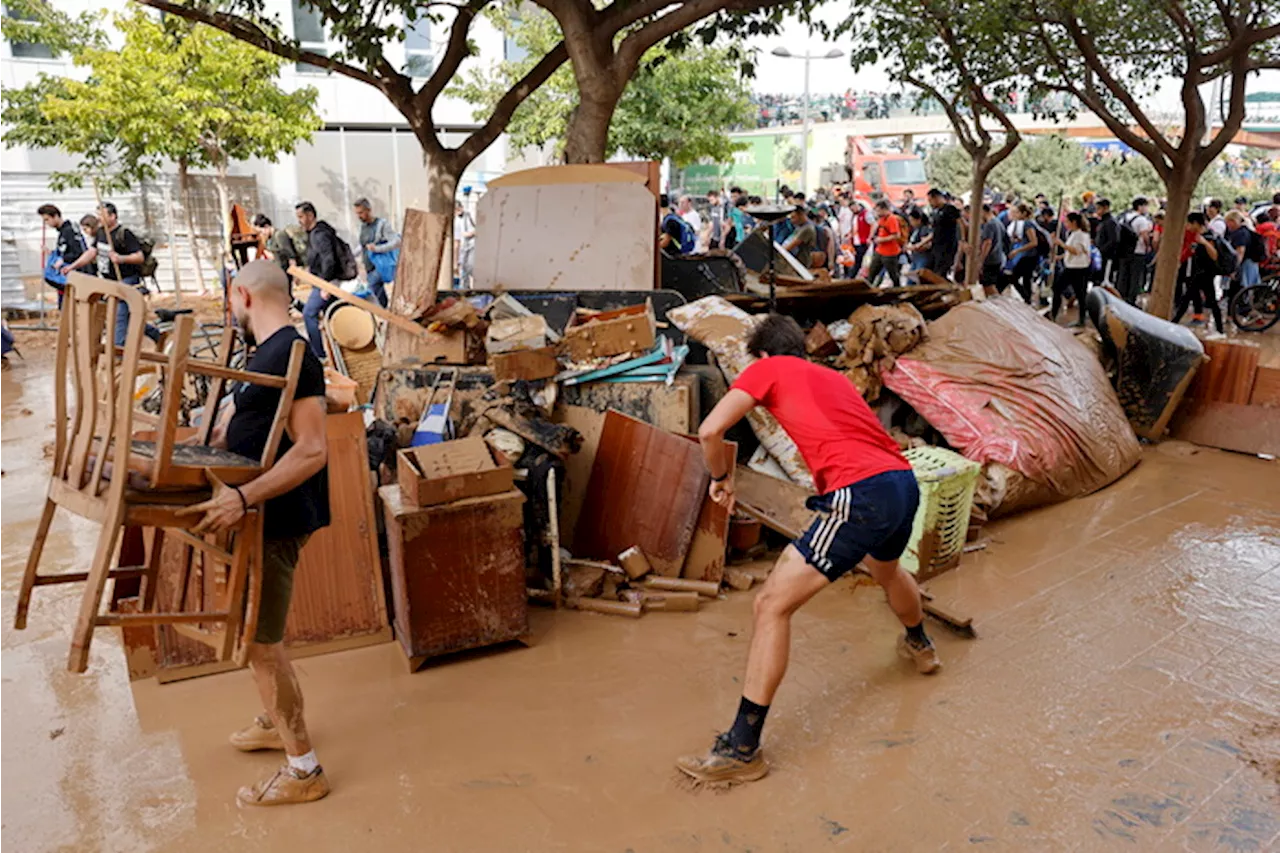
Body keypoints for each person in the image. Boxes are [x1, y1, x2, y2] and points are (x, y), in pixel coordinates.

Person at [675, 313, 940, 786]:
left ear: (761, 354)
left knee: (771, 605)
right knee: (887, 571)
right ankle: (921, 645)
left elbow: (710, 431)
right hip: (901, 484)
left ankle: (742, 748)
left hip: (857, 493)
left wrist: (720, 479)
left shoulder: (766, 367)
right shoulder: (832, 377)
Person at [178, 260, 331, 806]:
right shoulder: (266, 355)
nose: (229, 309)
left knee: (262, 645)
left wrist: (243, 497)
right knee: (260, 634)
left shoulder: (294, 354)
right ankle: (274, 721)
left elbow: (313, 449)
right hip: (259, 515)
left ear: (241, 294)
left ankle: (305, 771)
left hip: (274, 519)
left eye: (228, 299)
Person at [79, 202, 161, 346]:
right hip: (109, 281)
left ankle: (118, 349)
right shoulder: (100, 233)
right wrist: (73, 266)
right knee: (126, 320)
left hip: (126, 281)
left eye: (102, 215)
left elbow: (139, 256)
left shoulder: (124, 233)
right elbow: (92, 252)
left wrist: (121, 258)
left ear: (113, 216)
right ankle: (154, 334)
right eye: (98, 215)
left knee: (120, 316)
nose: (99, 219)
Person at [296, 201, 345, 360]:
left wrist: (326, 285)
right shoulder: (314, 234)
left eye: (301, 216)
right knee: (334, 316)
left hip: (325, 283)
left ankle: (319, 355)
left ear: (310, 215)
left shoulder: (320, 235)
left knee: (309, 314)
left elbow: (329, 260)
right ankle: (341, 352)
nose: (299, 220)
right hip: (322, 281)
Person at [1172, 212, 1223, 333]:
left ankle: (1220, 330)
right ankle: (1173, 323)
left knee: (1211, 302)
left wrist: (1204, 242)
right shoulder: (1196, 236)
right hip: (1197, 272)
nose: (1187, 226)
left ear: (1195, 223)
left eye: (1189, 224)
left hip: (1206, 274)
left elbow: (1215, 255)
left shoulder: (1208, 236)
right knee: (1186, 299)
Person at [38, 204, 88, 308]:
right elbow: (65, 251)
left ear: (55, 216)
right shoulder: (62, 233)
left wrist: (62, 260)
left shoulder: (69, 231)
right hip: (65, 276)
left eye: (47, 220)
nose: (47, 223)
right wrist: (51, 254)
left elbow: (78, 253)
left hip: (74, 277)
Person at [355, 198, 401, 308]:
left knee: (371, 293)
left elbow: (396, 242)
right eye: (357, 213)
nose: (359, 216)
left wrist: (377, 248)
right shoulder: (363, 227)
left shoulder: (381, 225)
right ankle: (385, 315)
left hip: (380, 266)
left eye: (361, 212)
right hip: (369, 268)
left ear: (368, 210)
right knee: (378, 296)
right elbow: (362, 246)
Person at [1052, 212, 1091, 326]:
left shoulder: (1081, 235)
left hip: (1077, 268)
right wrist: (1061, 256)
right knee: (1076, 292)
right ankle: (1054, 313)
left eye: (1067, 221)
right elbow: (1072, 251)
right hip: (1072, 266)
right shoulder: (1074, 234)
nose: (1065, 224)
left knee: (1077, 293)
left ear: (1073, 222)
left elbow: (1076, 251)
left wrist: (1061, 244)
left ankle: (1056, 314)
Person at [1115, 197, 1152, 305]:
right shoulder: (1142, 220)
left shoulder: (1124, 218)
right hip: (1137, 251)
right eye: (1146, 206)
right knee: (1135, 277)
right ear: (1140, 207)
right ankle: (1131, 300)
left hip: (1124, 251)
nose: (1147, 209)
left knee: (1123, 275)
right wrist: (1148, 246)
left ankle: (1121, 297)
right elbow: (1145, 236)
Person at [1002, 203, 1040, 303]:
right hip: (1029, 255)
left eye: (1018, 212)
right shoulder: (1027, 224)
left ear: (1023, 213)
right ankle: (1027, 299)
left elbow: (1033, 242)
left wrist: (1017, 250)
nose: (1016, 215)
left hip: (1029, 255)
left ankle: (1026, 297)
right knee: (1026, 278)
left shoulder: (1028, 224)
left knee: (1014, 277)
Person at [867, 200, 903, 286]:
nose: (877, 212)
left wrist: (881, 240)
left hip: (890, 252)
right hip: (880, 250)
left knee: (893, 275)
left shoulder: (892, 219)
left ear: (885, 209)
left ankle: (898, 292)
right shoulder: (882, 219)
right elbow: (877, 226)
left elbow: (896, 235)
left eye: (878, 210)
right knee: (871, 273)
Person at [926, 188, 960, 277]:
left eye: (930, 200)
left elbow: (961, 224)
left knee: (940, 273)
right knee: (929, 270)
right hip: (936, 247)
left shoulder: (950, 209)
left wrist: (962, 240)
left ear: (936, 198)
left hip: (947, 247)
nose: (930, 203)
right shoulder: (936, 212)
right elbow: (935, 231)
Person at [1225, 210, 1259, 297]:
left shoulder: (1240, 233)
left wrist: (1234, 268)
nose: (1227, 225)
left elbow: (1240, 252)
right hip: (1249, 263)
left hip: (1244, 264)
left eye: (1228, 222)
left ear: (1233, 221)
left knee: (1241, 289)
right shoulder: (1244, 230)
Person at [978, 204, 1006, 290]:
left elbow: (987, 243)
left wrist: (981, 260)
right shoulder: (999, 223)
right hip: (998, 258)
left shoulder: (989, 225)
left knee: (988, 286)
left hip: (990, 259)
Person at [453, 201, 476, 288]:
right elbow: (456, 242)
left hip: (473, 246)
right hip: (464, 248)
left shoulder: (470, 215)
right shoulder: (456, 221)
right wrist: (455, 262)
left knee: (470, 269)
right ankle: (465, 288)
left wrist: (471, 233)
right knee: (464, 272)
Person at [905, 208, 932, 273]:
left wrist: (913, 247)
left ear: (918, 220)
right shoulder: (915, 229)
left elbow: (927, 245)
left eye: (912, 220)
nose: (911, 223)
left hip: (923, 257)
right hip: (915, 257)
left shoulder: (924, 229)